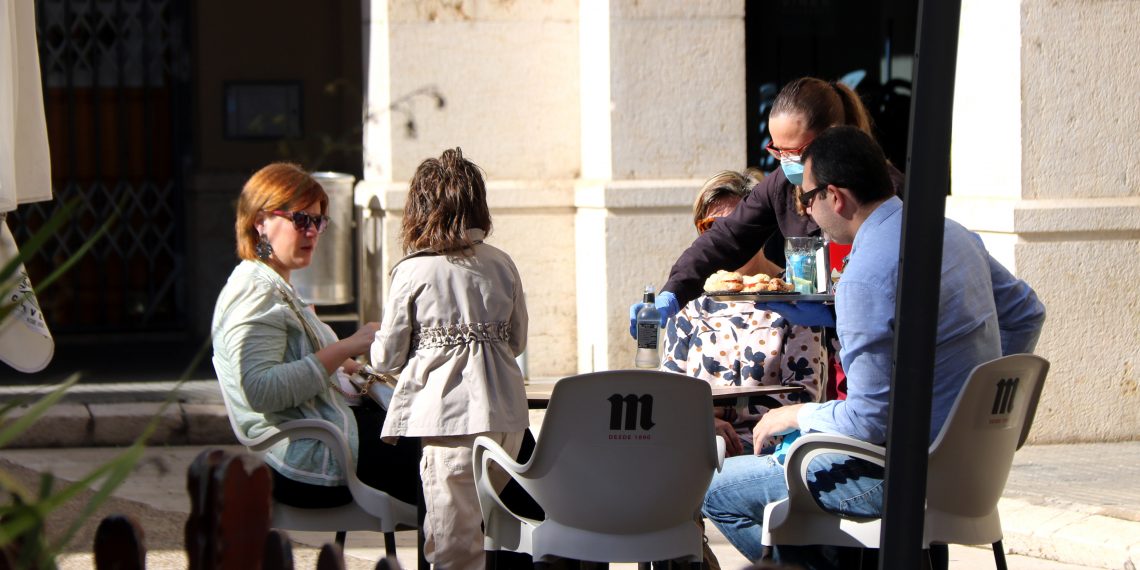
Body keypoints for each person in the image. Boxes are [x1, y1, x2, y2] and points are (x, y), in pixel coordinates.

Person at [700, 127, 1046, 568]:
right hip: (975, 471)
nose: (805, 209)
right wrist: (972, 412)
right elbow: (1027, 313)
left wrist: (793, 414)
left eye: (807, 199)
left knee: (715, 488)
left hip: (899, 477)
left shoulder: (865, 273)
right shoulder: (951, 233)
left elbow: (866, 420)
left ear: (837, 197)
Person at [211, 162, 421, 511]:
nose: (312, 232)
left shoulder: (271, 284)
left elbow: (301, 366)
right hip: (312, 458)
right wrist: (346, 346)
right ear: (260, 222)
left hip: (331, 437)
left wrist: (346, 363)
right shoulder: (256, 294)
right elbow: (261, 389)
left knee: (461, 449)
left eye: (319, 221)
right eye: (301, 220)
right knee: (452, 459)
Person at [632, 76, 905, 326]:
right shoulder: (782, 185)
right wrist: (673, 292)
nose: (787, 161)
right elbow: (727, 237)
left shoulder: (888, 192)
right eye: (778, 151)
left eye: (796, 151)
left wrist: (836, 316)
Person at [371, 147, 529, 570]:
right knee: (486, 532)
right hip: (508, 421)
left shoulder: (412, 271)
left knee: (451, 546)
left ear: (419, 211)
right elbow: (516, 341)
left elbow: (386, 357)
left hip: (449, 423)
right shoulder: (502, 264)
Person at [661, 170, 823, 457]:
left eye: (738, 225)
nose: (725, 237)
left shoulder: (791, 297)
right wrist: (704, 424)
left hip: (770, 452)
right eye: (711, 226)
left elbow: (804, 394)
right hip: (699, 447)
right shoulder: (690, 303)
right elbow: (669, 394)